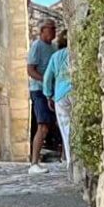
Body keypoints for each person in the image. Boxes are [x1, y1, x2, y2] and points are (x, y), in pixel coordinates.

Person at [27, 20, 58, 175]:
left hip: (51, 90)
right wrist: (45, 80)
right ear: (42, 31)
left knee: (53, 125)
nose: (54, 31)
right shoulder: (37, 46)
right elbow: (30, 70)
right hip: (39, 91)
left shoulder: (54, 48)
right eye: (51, 29)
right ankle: (33, 163)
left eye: (54, 29)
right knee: (42, 125)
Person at [43, 31, 73, 173]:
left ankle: (70, 162)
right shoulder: (74, 54)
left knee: (66, 128)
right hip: (75, 91)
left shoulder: (55, 57)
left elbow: (47, 78)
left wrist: (49, 95)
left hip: (61, 95)